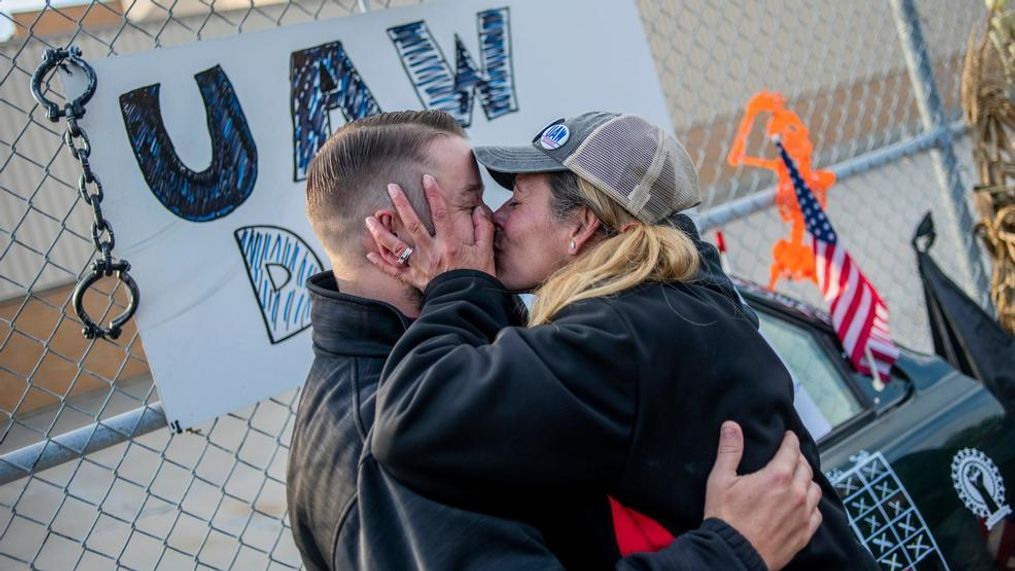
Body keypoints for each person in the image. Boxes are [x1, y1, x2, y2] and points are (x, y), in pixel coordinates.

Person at [287, 110, 824, 570]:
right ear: (395, 232)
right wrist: (730, 553)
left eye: (508, 202)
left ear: (585, 226)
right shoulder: (381, 434)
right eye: (475, 203)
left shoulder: (600, 330)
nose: (493, 221)